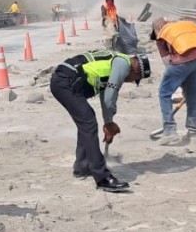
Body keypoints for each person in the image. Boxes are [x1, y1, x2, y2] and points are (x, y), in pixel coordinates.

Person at [50, 49, 150, 193]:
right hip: (66, 82)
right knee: (88, 123)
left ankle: (82, 167)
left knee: (86, 122)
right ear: (136, 71)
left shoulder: (115, 61)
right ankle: (102, 177)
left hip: (65, 80)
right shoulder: (123, 65)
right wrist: (109, 124)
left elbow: (105, 97)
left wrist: (108, 121)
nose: (130, 81)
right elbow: (110, 97)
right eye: (134, 78)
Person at [150, 18, 196, 145]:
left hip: (182, 60)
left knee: (164, 93)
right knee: (193, 97)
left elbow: (167, 62)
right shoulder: (187, 25)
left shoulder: (161, 35)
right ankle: (193, 133)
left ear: (157, 28)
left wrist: (181, 83)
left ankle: (169, 131)